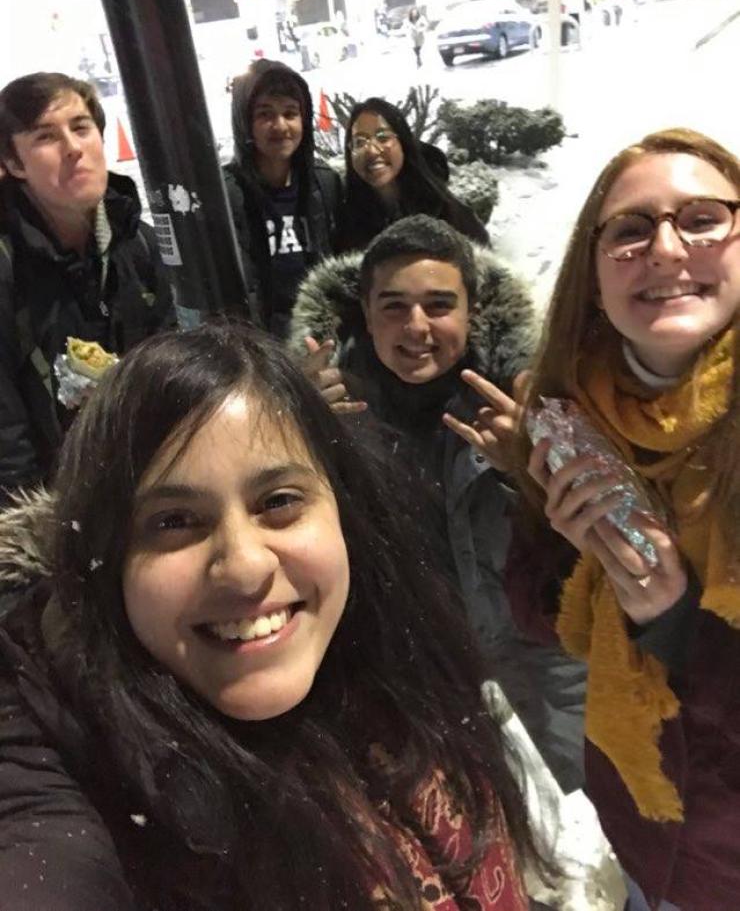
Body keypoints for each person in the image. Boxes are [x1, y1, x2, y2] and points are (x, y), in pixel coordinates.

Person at [0, 322, 547, 910]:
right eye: (174, 521)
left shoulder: (400, 652)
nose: (243, 566)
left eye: (278, 502)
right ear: (105, 565)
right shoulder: (72, 784)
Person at [510, 128, 739, 910]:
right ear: (594, 272)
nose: (667, 249)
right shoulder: (569, 410)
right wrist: (564, 542)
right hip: (644, 831)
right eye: (631, 230)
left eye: (705, 218)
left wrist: (673, 619)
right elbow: (541, 622)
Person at [292, 214, 587, 794]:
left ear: (472, 310)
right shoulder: (330, 406)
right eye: (394, 306)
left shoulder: (528, 391)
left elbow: (598, 539)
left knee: (584, 817)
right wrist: (292, 429)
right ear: (364, 313)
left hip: (538, 649)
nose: (417, 327)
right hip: (412, 667)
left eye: (439, 305)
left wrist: (526, 467)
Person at [0, 71, 174, 504]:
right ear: (14, 164)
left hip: (150, 487)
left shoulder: (138, 242)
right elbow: (6, 435)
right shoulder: (7, 266)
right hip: (56, 507)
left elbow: (171, 366)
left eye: (81, 128)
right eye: (45, 137)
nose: (74, 148)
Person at [223, 59, 342, 338]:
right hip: (260, 347)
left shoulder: (324, 183)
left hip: (320, 340)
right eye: (265, 114)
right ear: (245, 122)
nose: (280, 125)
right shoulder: (227, 193)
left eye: (291, 113)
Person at [336, 97, 489, 252]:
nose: (371, 151)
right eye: (360, 142)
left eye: (383, 138)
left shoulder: (443, 210)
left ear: (403, 143)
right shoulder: (345, 221)